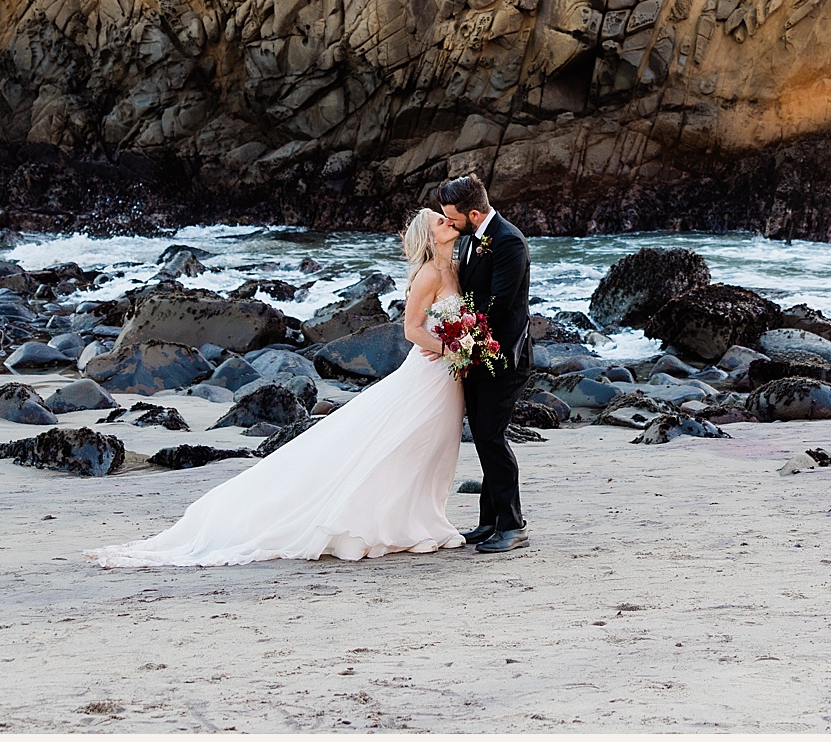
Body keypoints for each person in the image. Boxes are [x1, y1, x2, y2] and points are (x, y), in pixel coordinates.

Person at [84, 207, 468, 567]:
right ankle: (382, 524)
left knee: (434, 446)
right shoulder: (430, 274)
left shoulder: (454, 268)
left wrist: (468, 343)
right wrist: (453, 346)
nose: (448, 222)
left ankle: (424, 519)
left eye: (447, 218)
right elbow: (411, 329)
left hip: (449, 376)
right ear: (429, 236)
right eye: (440, 221)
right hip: (426, 373)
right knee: (401, 444)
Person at [432, 173, 532, 553]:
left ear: (473, 214)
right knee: (485, 437)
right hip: (477, 356)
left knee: (491, 437)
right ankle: (489, 521)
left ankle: (513, 524)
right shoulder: (473, 239)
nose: (449, 224)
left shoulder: (508, 242)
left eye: (452, 218)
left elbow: (499, 304)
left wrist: (461, 327)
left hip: (504, 358)